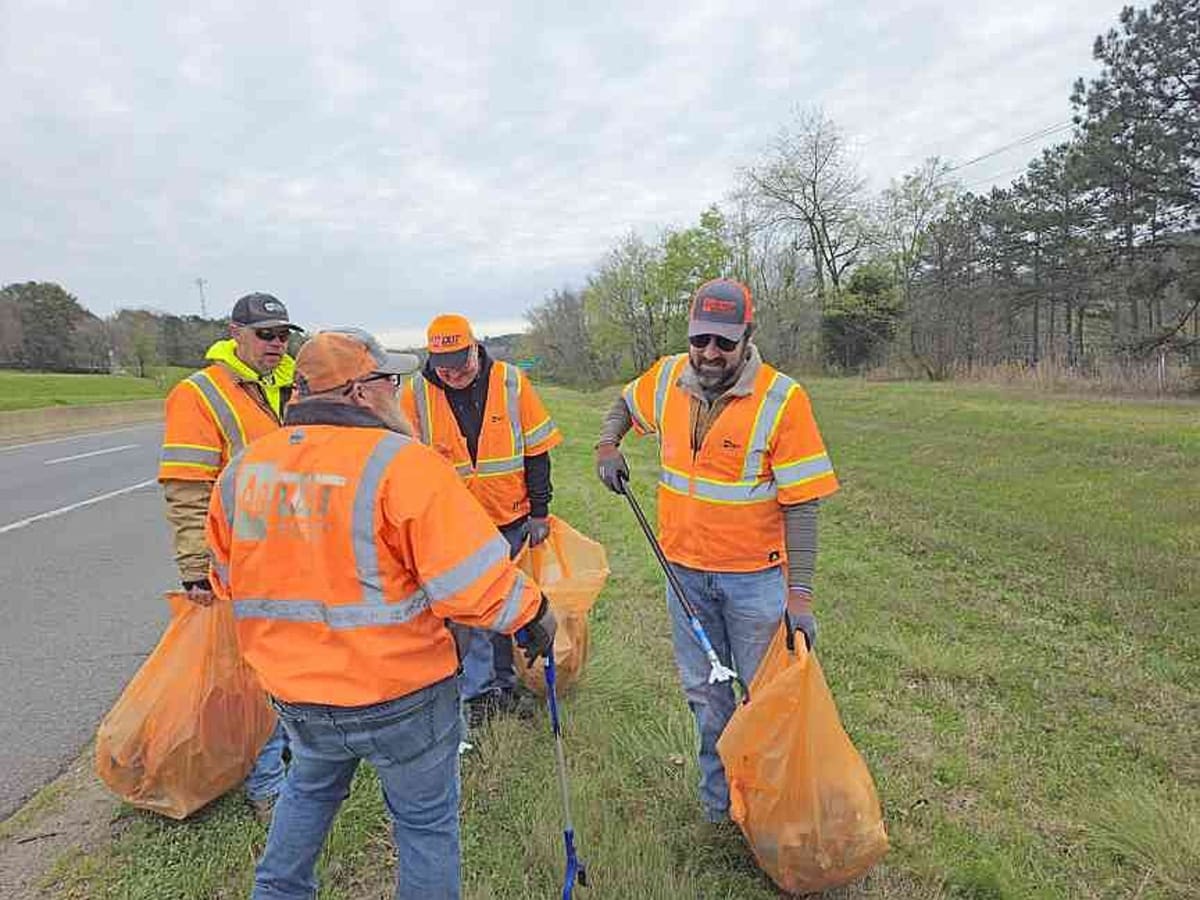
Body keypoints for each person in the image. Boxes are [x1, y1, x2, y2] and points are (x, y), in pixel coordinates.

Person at [205, 327, 557, 900]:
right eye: (389, 380)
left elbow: (226, 579)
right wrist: (536, 612)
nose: (397, 391)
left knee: (307, 792)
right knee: (424, 826)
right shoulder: (403, 464)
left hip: (298, 696)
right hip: (400, 694)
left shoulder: (243, 471)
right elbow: (474, 585)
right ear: (359, 392)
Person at [593, 278, 839, 824]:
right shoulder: (666, 378)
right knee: (707, 699)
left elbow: (803, 505)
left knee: (767, 700)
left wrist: (799, 597)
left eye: (724, 342)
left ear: (747, 337)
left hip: (754, 581)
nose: (710, 352)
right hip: (683, 575)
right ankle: (719, 809)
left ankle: (775, 815)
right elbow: (623, 405)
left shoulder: (783, 400)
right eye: (700, 338)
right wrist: (608, 443)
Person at [157, 291, 299, 821]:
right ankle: (268, 784)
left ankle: (288, 757)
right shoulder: (200, 395)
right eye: (266, 334)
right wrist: (195, 567)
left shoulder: (289, 385)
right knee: (251, 675)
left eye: (284, 334)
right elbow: (187, 487)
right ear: (234, 333)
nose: (277, 343)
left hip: (297, 557)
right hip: (239, 562)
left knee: (289, 666)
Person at [399, 313, 562, 729]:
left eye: (461, 361)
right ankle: (477, 693)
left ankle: (504, 687)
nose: (453, 373)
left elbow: (536, 451)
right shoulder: (415, 394)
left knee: (506, 606)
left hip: (508, 518)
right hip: (451, 529)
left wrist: (539, 511)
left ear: (476, 347)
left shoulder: (510, 382)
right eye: (444, 365)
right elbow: (401, 464)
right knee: (466, 613)